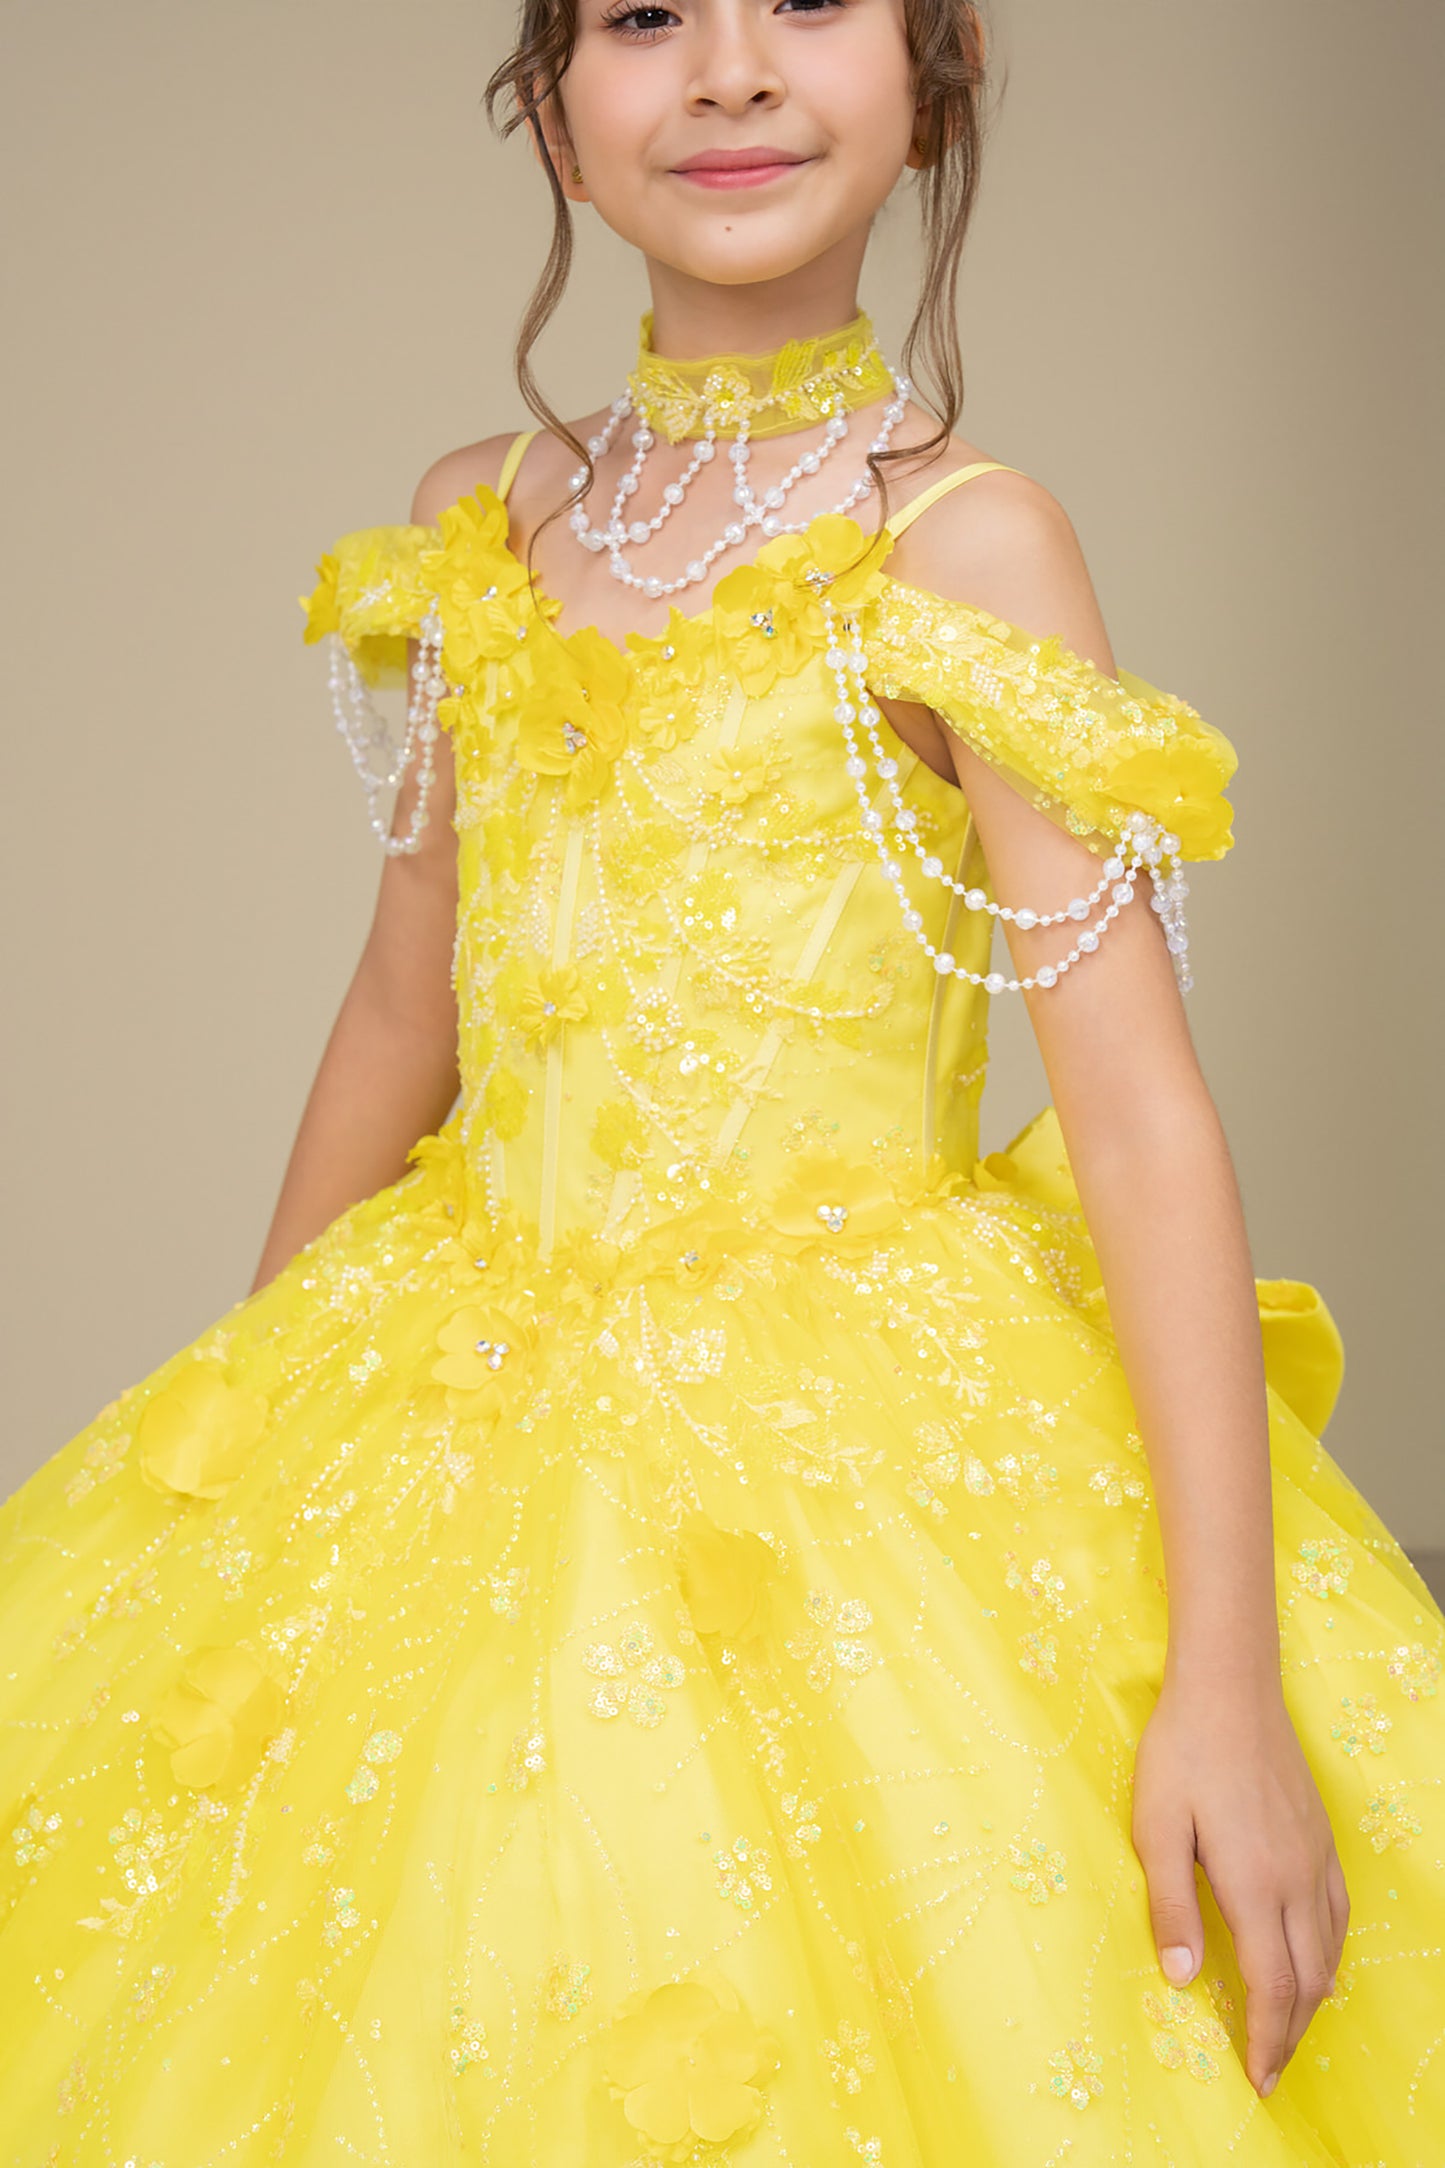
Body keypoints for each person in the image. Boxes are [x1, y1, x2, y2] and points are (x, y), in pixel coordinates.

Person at [2, 2, 1441, 2160]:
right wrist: (240, 1454)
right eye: (650, 16)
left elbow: (1137, 1113)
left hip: (862, 1435)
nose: (735, 71)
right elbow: (409, 1006)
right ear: (555, 117)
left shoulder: (965, 541)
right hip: (467, 1372)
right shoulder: (474, 520)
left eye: (812, 1)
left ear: (931, 86)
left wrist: (1220, 1681)